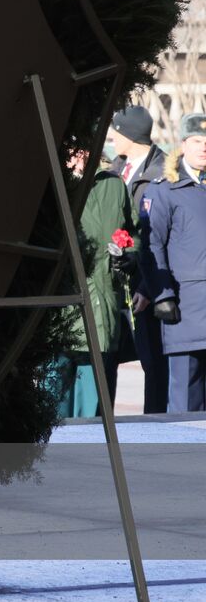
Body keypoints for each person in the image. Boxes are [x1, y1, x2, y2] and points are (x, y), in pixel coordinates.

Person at [47, 150, 133, 417]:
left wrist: (128, 255)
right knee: (54, 406)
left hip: (103, 309)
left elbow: (135, 232)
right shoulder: (50, 183)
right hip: (62, 313)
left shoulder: (114, 184)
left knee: (96, 411)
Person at [140, 114, 206, 414]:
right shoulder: (164, 189)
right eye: (197, 141)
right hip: (185, 308)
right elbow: (152, 246)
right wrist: (162, 295)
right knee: (185, 400)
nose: (203, 148)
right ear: (183, 145)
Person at [107, 105, 169, 414]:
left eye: (116, 131)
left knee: (154, 362)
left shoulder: (162, 174)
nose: (111, 137)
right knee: (113, 358)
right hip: (116, 280)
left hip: (148, 285)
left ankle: (157, 425)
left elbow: (161, 237)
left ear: (129, 135)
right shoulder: (114, 170)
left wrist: (146, 283)